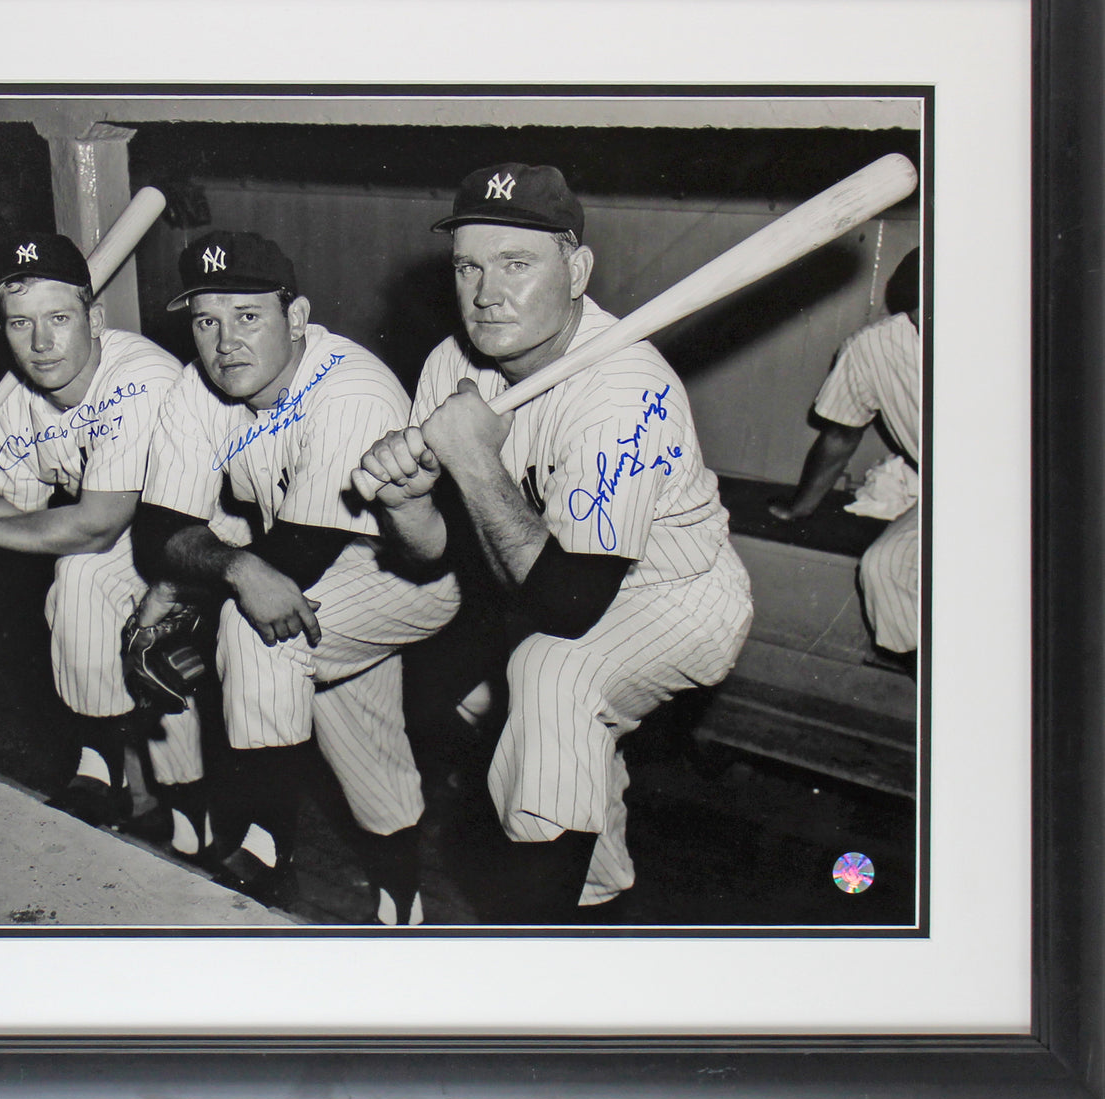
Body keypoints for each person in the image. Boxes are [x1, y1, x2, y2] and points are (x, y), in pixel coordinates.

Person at [356, 163, 754, 923]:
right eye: (469, 267)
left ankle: (535, 956)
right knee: (497, 708)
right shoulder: (451, 363)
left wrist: (474, 460)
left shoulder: (624, 388)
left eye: (516, 264)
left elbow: (572, 606)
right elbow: (432, 554)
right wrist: (407, 501)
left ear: (576, 272)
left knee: (553, 675)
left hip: (675, 596)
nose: (486, 293)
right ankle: (596, 905)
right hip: (546, 577)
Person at [131, 229, 459, 925]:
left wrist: (201, 592)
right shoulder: (199, 386)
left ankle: (266, 852)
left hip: (407, 575)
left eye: (248, 316)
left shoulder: (351, 388)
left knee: (261, 635)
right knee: (362, 736)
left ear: (298, 317)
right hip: (298, 562)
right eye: (206, 321)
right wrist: (227, 567)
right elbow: (159, 531)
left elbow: (294, 561)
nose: (225, 342)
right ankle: (402, 905)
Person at [0, 231, 211, 858]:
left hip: (205, 536)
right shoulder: (17, 400)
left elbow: (96, 525)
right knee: (88, 588)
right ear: (3, 329)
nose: (40, 343)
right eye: (21, 322)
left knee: (89, 581)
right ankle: (123, 784)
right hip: (122, 540)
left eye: (59, 318)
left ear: (95, 318)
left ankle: (131, 783)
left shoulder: (141, 377)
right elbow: (22, 520)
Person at [769, 247, 920, 659]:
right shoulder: (872, 349)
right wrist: (801, 507)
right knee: (884, 569)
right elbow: (842, 433)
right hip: (953, 497)